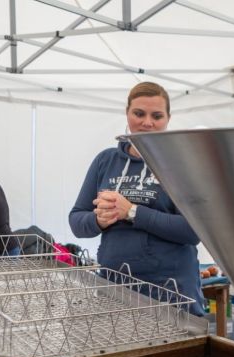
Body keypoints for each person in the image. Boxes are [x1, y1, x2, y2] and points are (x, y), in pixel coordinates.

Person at [69, 81, 206, 316]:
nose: (147, 122)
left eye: (157, 115)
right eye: (139, 113)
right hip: (114, 285)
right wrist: (99, 219)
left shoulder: (182, 162)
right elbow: (77, 220)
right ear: (127, 113)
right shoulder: (106, 161)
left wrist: (132, 211)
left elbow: (193, 231)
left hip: (170, 291)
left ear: (168, 119)